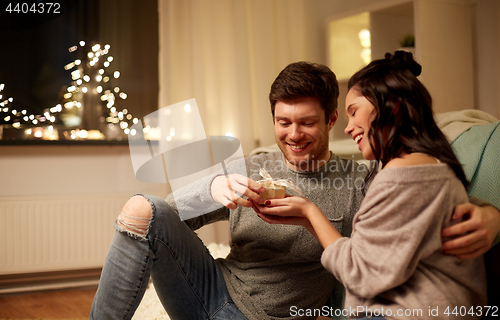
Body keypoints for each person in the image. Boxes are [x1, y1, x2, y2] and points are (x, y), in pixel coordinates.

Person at [90, 61, 500, 320]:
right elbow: (166, 217)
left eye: (306, 122)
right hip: (208, 289)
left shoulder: (363, 177)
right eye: (283, 122)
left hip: (269, 315)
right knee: (142, 207)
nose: (293, 134)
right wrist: (213, 186)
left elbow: (427, 191)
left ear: (332, 120)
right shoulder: (251, 167)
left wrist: (490, 214)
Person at [256, 52, 491, 319]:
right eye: (284, 122)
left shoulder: (399, 174)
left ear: (393, 109)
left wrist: (310, 212)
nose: (348, 128)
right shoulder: (421, 167)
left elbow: (359, 272)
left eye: (354, 112)